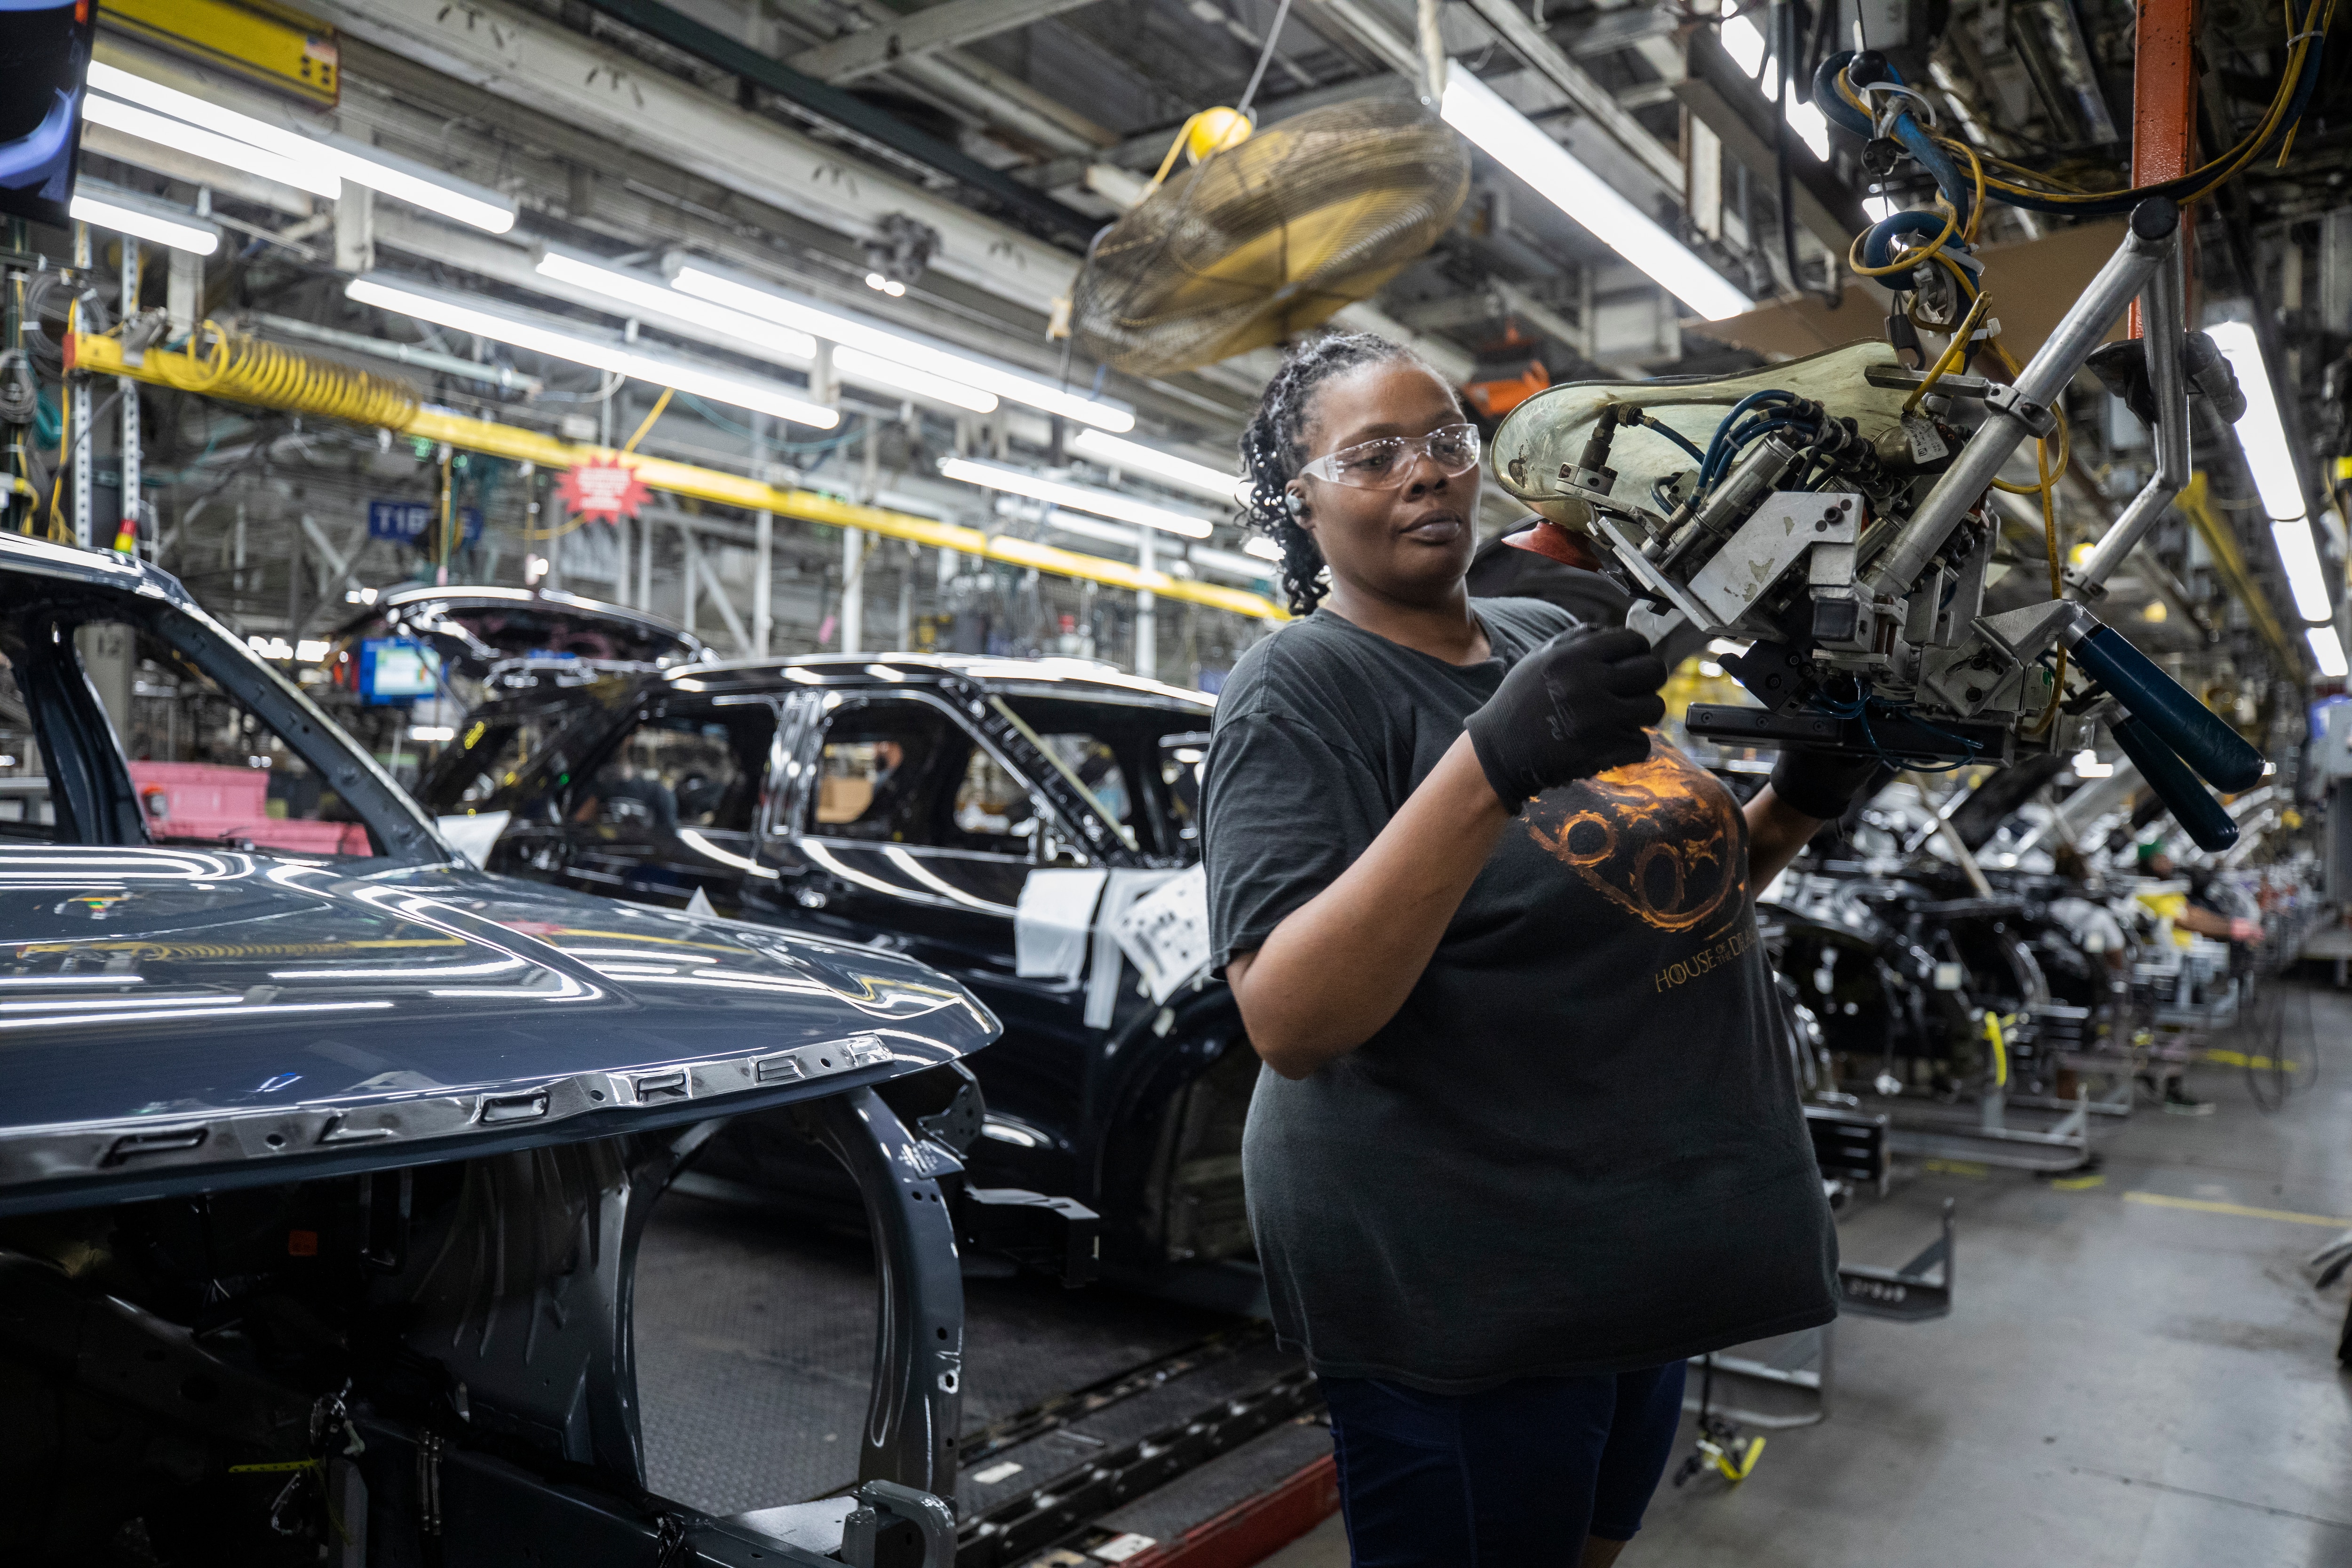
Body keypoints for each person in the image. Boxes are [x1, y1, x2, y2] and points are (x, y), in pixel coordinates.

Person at [1203, 333, 1884, 1567]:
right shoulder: (1300, 684)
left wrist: (1798, 802)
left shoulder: (1537, 639)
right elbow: (1289, 1020)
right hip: (1469, 1276)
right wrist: (1486, 765)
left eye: (1443, 443)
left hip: (1630, 1256)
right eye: (1371, 455)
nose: (1422, 474)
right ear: (1298, 501)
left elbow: (1652, 887)